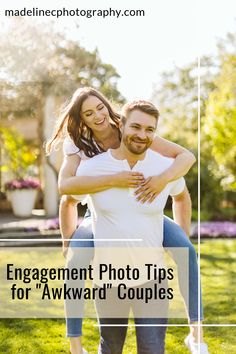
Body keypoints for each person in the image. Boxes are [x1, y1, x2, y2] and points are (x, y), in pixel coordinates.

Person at [46, 87, 206, 354]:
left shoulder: (134, 130)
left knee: (186, 250)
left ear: (110, 110)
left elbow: (186, 157)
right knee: (75, 260)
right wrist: (66, 241)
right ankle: (75, 345)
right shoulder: (78, 144)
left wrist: (162, 179)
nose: (97, 116)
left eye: (100, 108)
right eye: (88, 113)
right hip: (97, 208)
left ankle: (197, 333)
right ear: (81, 119)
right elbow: (66, 191)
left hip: (148, 222)